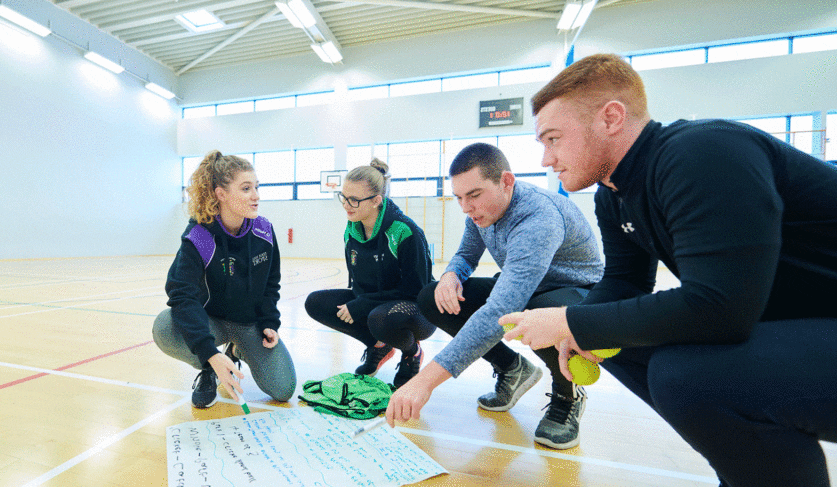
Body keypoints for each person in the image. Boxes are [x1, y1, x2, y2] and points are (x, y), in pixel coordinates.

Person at [503, 53, 837, 487]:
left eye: (553, 139)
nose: (547, 159)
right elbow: (624, 281)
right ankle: (755, 466)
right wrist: (577, 332)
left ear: (611, 118)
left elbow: (721, 307)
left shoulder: (702, 153)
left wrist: (571, 321)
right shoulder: (614, 192)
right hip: (805, 327)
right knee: (613, 338)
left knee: (686, 377)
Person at [386, 142, 604, 449]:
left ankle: (568, 394)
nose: (466, 207)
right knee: (431, 297)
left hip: (573, 294)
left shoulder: (538, 217)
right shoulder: (480, 212)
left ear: (506, 182)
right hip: (524, 291)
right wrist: (450, 275)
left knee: (535, 310)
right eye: (460, 197)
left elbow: (500, 308)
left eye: (474, 195)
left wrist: (424, 382)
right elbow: (466, 254)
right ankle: (512, 369)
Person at [153, 150, 296, 408]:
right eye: (246, 188)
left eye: (256, 187)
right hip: (212, 323)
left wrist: (269, 322)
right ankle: (210, 368)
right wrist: (209, 353)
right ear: (221, 194)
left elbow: (271, 285)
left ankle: (236, 351)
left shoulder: (264, 230)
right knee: (164, 327)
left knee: (283, 388)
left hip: (249, 324)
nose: (256, 196)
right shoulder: (200, 236)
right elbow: (182, 294)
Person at [305, 159, 436, 388]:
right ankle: (379, 346)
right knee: (315, 303)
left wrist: (362, 304)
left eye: (354, 200)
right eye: (344, 197)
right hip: (374, 305)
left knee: (379, 318)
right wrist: (360, 302)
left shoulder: (405, 231)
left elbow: (415, 291)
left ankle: (411, 352)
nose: (347, 205)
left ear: (376, 201)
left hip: (414, 311)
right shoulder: (351, 229)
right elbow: (357, 284)